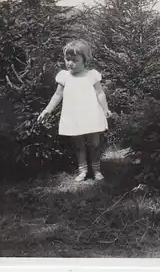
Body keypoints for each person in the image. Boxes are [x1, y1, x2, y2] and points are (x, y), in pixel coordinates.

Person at [38, 39, 112, 182]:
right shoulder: (64, 76)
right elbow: (57, 95)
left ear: (84, 60)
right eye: (67, 59)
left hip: (91, 114)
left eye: (75, 60)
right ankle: (83, 170)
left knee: (94, 144)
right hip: (73, 115)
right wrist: (48, 110)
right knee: (79, 145)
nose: (70, 63)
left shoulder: (91, 75)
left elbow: (100, 93)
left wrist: (105, 109)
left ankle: (96, 170)